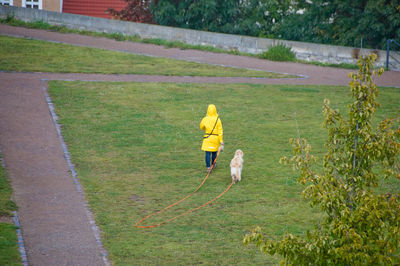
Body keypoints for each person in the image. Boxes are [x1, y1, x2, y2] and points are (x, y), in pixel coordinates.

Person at [200, 104, 224, 172]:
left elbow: (201, 127)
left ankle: (208, 167)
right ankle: (213, 164)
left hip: (207, 138)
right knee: (214, 152)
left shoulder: (205, 119)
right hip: (215, 138)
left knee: (207, 153)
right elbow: (220, 130)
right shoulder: (218, 119)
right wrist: (221, 140)